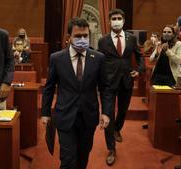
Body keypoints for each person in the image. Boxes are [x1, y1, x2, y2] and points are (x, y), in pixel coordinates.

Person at [41, 17, 112, 169]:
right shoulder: (57, 58)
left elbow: (105, 87)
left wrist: (106, 112)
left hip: (88, 116)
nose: (82, 39)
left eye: (85, 36)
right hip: (65, 115)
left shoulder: (98, 58)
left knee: (83, 156)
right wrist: (45, 113)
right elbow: (49, 87)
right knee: (67, 159)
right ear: (69, 37)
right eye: (78, 36)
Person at [98, 8, 144, 166]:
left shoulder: (131, 38)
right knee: (107, 114)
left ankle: (117, 128)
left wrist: (139, 70)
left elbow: (139, 56)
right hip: (108, 83)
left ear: (123, 21)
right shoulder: (103, 41)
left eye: (119, 18)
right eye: (113, 18)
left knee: (123, 110)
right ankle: (111, 148)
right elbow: (99, 60)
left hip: (126, 81)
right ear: (109, 21)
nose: (116, 21)